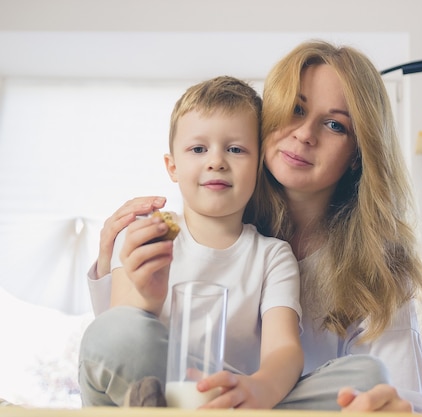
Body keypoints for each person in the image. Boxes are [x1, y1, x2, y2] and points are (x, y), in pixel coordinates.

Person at [85, 40, 422, 413]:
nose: (305, 134)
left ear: (357, 154)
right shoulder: (199, 218)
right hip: (191, 392)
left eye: (335, 124)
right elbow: (121, 347)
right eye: (295, 109)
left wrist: (390, 406)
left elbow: (405, 396)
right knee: (117, 336)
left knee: (370, 376)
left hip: (270, 403)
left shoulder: (355, 265)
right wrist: (125, 278)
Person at [79, 76, 304, 409]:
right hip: (148, 382)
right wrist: (149, 298)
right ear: (172, 166)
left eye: (236, 149)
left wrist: (258, 389)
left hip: (226, 397)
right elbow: (120, 330)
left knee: (362, 374)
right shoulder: (144, 234)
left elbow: (283, 349)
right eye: (199, 149)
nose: (216, 161)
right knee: (111, 333)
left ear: (259, 167)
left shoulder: (272, 256)